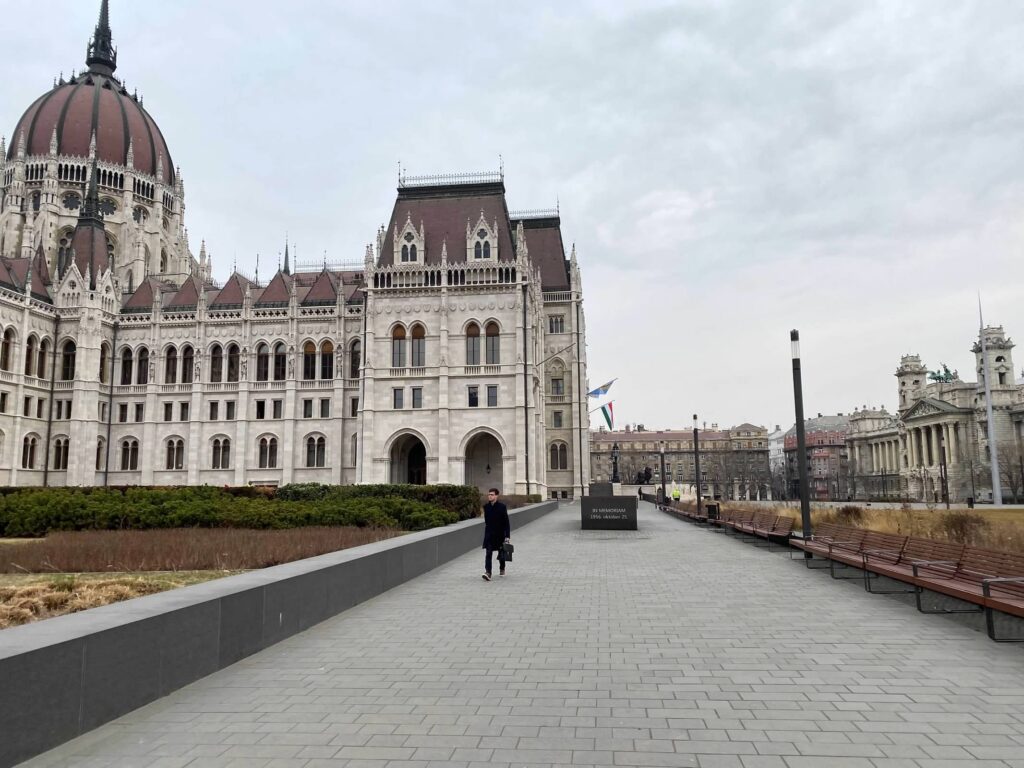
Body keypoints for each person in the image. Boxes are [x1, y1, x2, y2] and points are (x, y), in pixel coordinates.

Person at [481, 487, 510, 581]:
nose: (489, 496)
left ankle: (502, 568)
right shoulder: (486, 507)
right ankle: (488, 572)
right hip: (489, 535)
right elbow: (487, 521)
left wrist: (507, 536)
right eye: (489, 494)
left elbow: (506, 522)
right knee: (488, 553)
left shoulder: (502, 507)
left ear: (496, 496)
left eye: (492, 494)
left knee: (501, 553)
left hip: (500, 534)